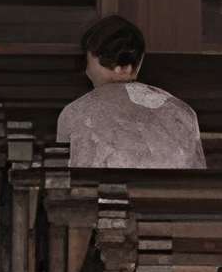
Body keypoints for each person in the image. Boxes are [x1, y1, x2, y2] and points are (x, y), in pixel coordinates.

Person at [57, 14, 206, 170]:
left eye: (88, 61)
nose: (87, 70)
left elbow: (62, 177)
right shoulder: (183, 112)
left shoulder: (74, 112)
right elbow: (198, 179)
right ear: (138, 61)